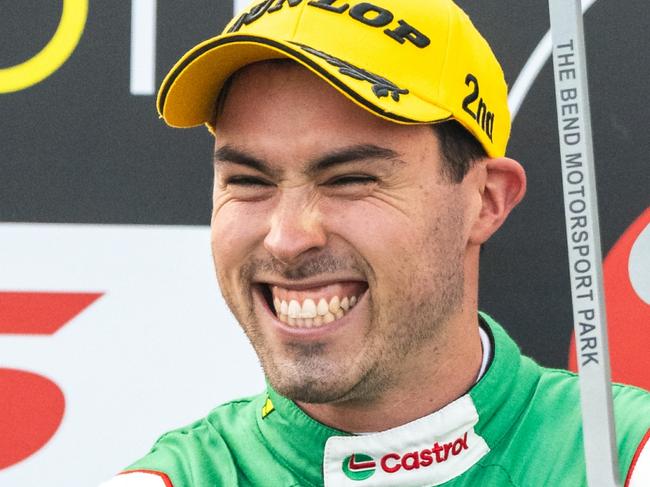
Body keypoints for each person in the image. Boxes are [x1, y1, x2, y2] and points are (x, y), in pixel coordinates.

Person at [101, 0, 650, 485]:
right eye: (249, 182)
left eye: (350, 179)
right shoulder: (173, 479)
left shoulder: (625, 458)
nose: (289, 238)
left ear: (485, 201)